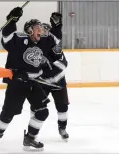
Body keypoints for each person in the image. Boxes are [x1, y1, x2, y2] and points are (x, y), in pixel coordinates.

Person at [0, 7, 63, 151]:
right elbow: (7, 36)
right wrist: (12, 19)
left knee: (42, 111)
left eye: (41, 28)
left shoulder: (44, 41)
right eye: (37, 28)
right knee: (8, 113)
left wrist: (57, 26)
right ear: (29, 30)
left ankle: (30, 138)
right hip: (17, 83)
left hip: (34, 83)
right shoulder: (18, 40)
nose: (40, 30)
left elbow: (56, 41)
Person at [28, 12, 70, 141]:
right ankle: (32, 133)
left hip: (58, 81)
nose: (43, 31)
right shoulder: (29, 46)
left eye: (45, 29)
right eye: (40, 29)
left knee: (63, 107)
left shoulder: (53, 44)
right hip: (41, 83)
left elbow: (63, 64)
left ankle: (62, 128)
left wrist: (47, 68)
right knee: (37, 108)